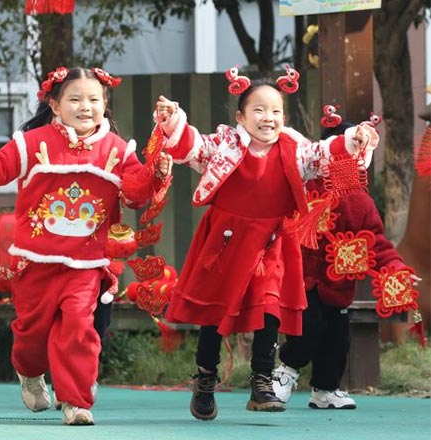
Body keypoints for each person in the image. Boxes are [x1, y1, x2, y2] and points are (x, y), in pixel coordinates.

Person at [0, 66, 171, 425]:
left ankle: (76, 401)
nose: (86, 107)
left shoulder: (117, 149)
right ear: (54, 105)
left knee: (79, 330)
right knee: (31, 334)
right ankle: (29, 372)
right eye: (75, 99)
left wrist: (155, 173)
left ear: (105, 104)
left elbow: (134, 194)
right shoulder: (33, 142)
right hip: (35, 261)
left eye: (94, 100)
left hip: (85, 262)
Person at [154, 67, 379, 421]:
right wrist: (173, 122)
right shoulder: (224, 145)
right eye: (258, 110)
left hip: (272, 242)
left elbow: (324, 154)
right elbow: (191, 147)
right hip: (226, 242)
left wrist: (354, 137)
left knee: (269, 308)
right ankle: (206, 378)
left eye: (275, 111)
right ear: (241, 116)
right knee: (215, 313)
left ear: (284, 118)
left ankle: (261, 382)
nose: (268, 117)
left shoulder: (295, 148)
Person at [272, 120, 419, 409]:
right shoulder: (301, 185)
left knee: (338, 340)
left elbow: (375, 241)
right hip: (302, 279)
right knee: (308, 328)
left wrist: (396, 270)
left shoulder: (360, 202)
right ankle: (285, 372)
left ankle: (325, 390)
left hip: (339, 285)